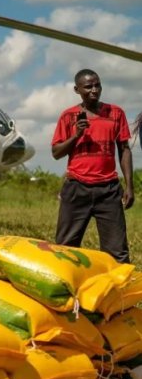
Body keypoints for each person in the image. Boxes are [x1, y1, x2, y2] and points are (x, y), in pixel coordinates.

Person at [51, 69, 134, 263]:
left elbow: (124, 149)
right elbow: (56, 153)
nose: (94, 90)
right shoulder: (68, 116)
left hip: (109, 189)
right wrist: (76, 135)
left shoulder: (116, 113)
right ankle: (66, 290)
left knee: (118, 252)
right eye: (88, 87)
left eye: (97, 85)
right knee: (66, 248)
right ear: (77, 89)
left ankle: (120, 291)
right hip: (76, 188)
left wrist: (129, 186)